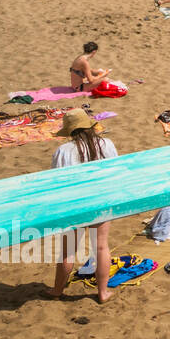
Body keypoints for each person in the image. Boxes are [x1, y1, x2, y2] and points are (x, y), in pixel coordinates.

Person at [47, 109, 119, 303]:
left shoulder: (63, 151)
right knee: (101, 248)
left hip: (75, 205)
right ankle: (103, 292)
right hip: (101, 202)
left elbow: (56, 182)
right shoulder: (107, 144)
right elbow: (115, 172)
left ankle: (56, 290)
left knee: (68, 251)